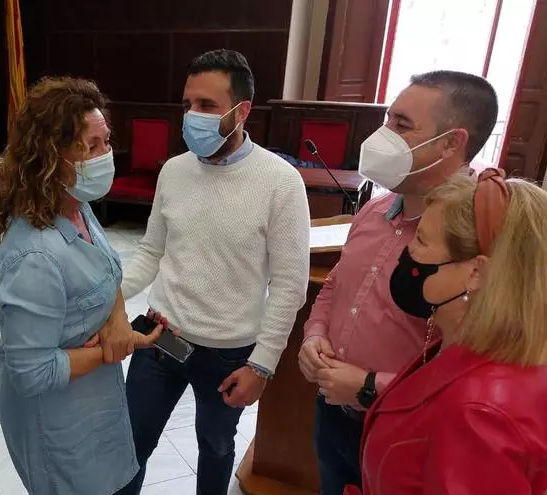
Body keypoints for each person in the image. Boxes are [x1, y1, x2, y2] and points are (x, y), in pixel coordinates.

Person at [297, 70, 498, 495]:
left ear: (451, 143)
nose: (383, 135)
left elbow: (480, 364)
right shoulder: (374, 210)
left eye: (402, 125)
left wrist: (371, 385)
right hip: (333, 412)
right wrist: (315, 335)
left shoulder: (481, 240)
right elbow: (336, 285)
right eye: (388, 119)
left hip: (409, 429)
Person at [119, 49, 311, 495]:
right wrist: (107, 296)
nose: (192, 116)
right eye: (188, 104)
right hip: (161, 336)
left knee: (216, 446)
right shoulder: (174, 171)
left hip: (228, 353)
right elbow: (150, 251)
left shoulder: (281, 182)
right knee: (129, 446)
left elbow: (289, 286)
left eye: (207, 105)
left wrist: (262, 365)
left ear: (241, 111)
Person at [0, 76, 160, 495]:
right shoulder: (34, 257)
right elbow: (31, 372)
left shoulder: (77, 207)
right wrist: (114, 348)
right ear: (52, 156)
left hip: (94, 396)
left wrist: (117, 318)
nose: (106, 155)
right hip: (54, 417)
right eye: (91, 146)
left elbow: (105, 269)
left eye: (107, 141)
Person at [345, 169, 547, 494]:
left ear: (476, 272)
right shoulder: (464, 342)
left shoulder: (477, 414)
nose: (408, 251)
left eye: (421, 240)